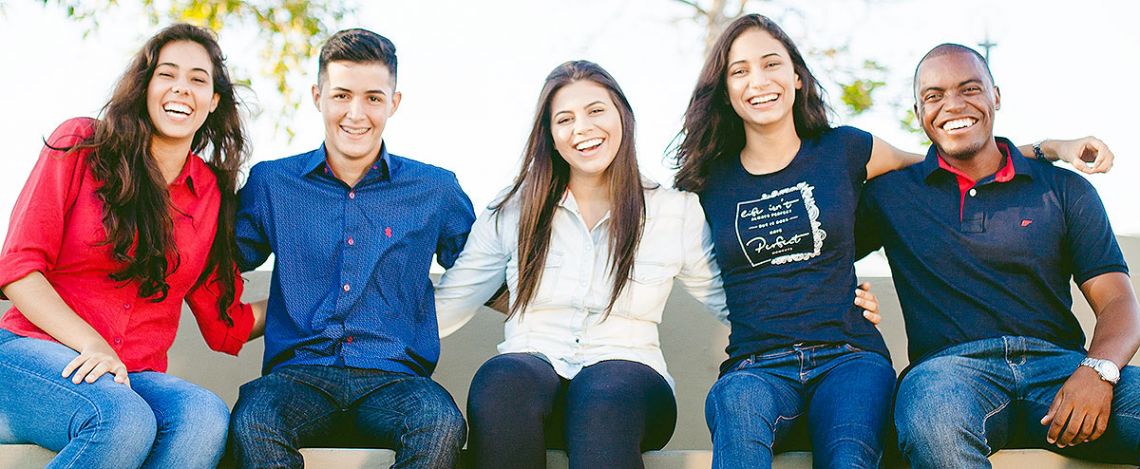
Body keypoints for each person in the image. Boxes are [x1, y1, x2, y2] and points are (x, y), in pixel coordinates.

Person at [671, 14, 1115, 469]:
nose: (758, 81)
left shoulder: (846, 149)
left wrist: (1049, 148)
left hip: (859, 359)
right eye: (739, 70)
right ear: (723, 88)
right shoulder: (709, 181)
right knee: (739, 408)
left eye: (771, 64)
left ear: (798, 77)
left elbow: (950, 155)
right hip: (777, 366)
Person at [433, 60, 882, 469]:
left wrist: (832, 303)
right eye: (564, 119)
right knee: (501, 381)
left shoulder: (673, 212)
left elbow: (740, 301)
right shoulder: (513, 211)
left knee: (602, 395)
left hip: (629, 379)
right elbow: (449, 304)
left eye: (596, 111)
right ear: (549, 134)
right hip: (533, 374)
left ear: (623, 117)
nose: (582, 128)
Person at [855, 43, 1140, 467]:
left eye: (970, 88)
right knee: (932, 422)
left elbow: (1118, 299)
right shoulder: (892, 195)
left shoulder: (1063, 189)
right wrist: (850, 295)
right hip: (950, 375)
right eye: (933, 96)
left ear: (996, 96)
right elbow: (816, 257)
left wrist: (1099, 370)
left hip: (1061, 371)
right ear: (919, 113)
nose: (953, 105)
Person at [0, 23, 263, 469]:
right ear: (146, 85)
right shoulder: (82, 145)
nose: (182, 88)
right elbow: (19, 270)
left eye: (198, 79)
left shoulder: (212, 196)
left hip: (131, 377)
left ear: (213, 101)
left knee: (205, 418)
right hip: (30, 354)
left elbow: (226, 325)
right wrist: (93, 345)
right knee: (122, 419)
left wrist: (314, 297)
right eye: (168, 74)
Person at [227, 28, 475, 468]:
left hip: (396, 380)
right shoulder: (272, 183)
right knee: (254, 420)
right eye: (341, 95)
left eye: (373, 98)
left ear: (394, 103)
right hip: (298, 377)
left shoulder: (435, 189)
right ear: (317, 95)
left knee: (440, 423)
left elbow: (484, 270)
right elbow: (216, 261)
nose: (356, 114)